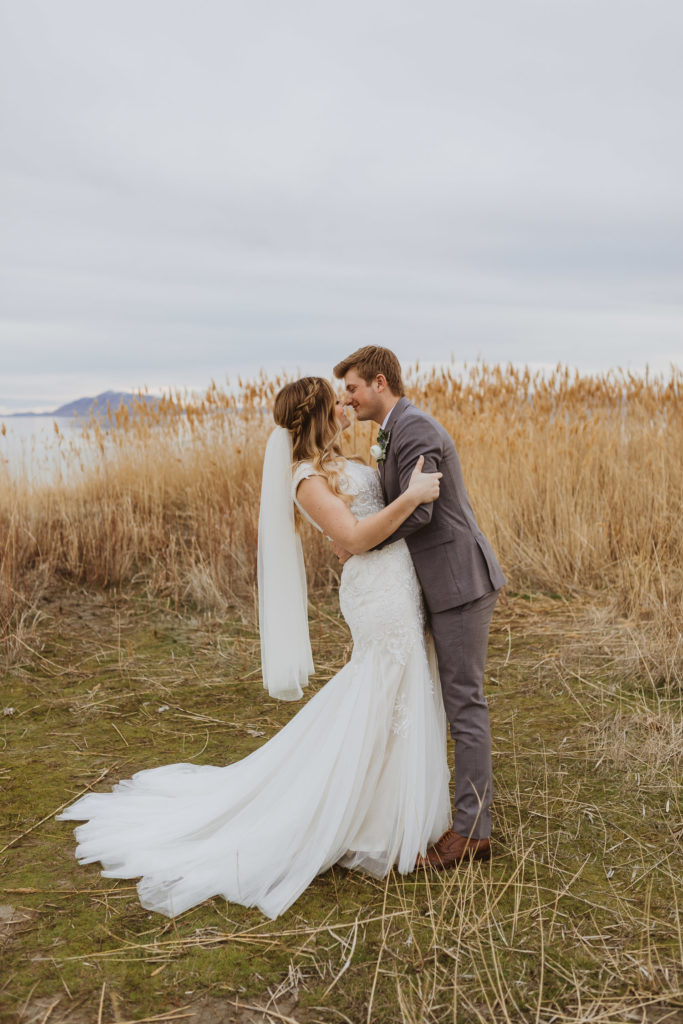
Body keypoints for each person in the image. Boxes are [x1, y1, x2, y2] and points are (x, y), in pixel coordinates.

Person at [57, 377, 451, 920]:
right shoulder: (305, 478)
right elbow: (355, 538)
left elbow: (359, 527)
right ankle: (370, 821)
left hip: (397, 585)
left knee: (398, 692)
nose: (344, 405)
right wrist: (412, 495)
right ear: (314, 416)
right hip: (377, 593)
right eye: (334, 402)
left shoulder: (339, 460)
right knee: (382, 692)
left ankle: (385, 812)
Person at [333, 347, 505, 869]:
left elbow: (422, 511)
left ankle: (473, 830)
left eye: (353, 388)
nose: (347, 397)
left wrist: (364, 543)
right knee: (449, 698)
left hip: (458, 583)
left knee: (464, 702)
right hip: (435, 583)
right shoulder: (392, 430)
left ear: (379, 382)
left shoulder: (416, 430)